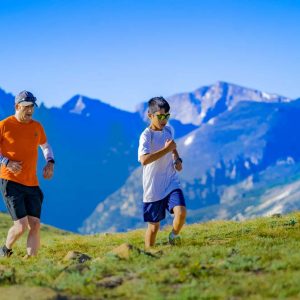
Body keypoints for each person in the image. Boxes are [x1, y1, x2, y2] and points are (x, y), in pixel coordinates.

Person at [0, 90, 55, 258]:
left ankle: (31, 260)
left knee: (35, 224)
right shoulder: (4, 125)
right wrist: (6, 162)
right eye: (26, 107)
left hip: (32, 183)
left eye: (32, 107)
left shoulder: (37, 126)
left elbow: (45, 145)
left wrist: (50, 162)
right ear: (17, 106)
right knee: (21, 226)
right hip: (11, 181)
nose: (30, 110)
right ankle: (5, 250)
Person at [138, 96, 186, 248]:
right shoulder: (146, 136)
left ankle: (174, 235)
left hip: (171, 182)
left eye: (167, 116)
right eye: (160, 116)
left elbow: (172, 148)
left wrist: (177, 160)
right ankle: (149, 253)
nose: (164, 120)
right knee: (153, 228)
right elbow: (144, 160)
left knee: (181, 211)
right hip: (153, 188)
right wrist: (166, 150)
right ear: (150, 115)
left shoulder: (169, 130)